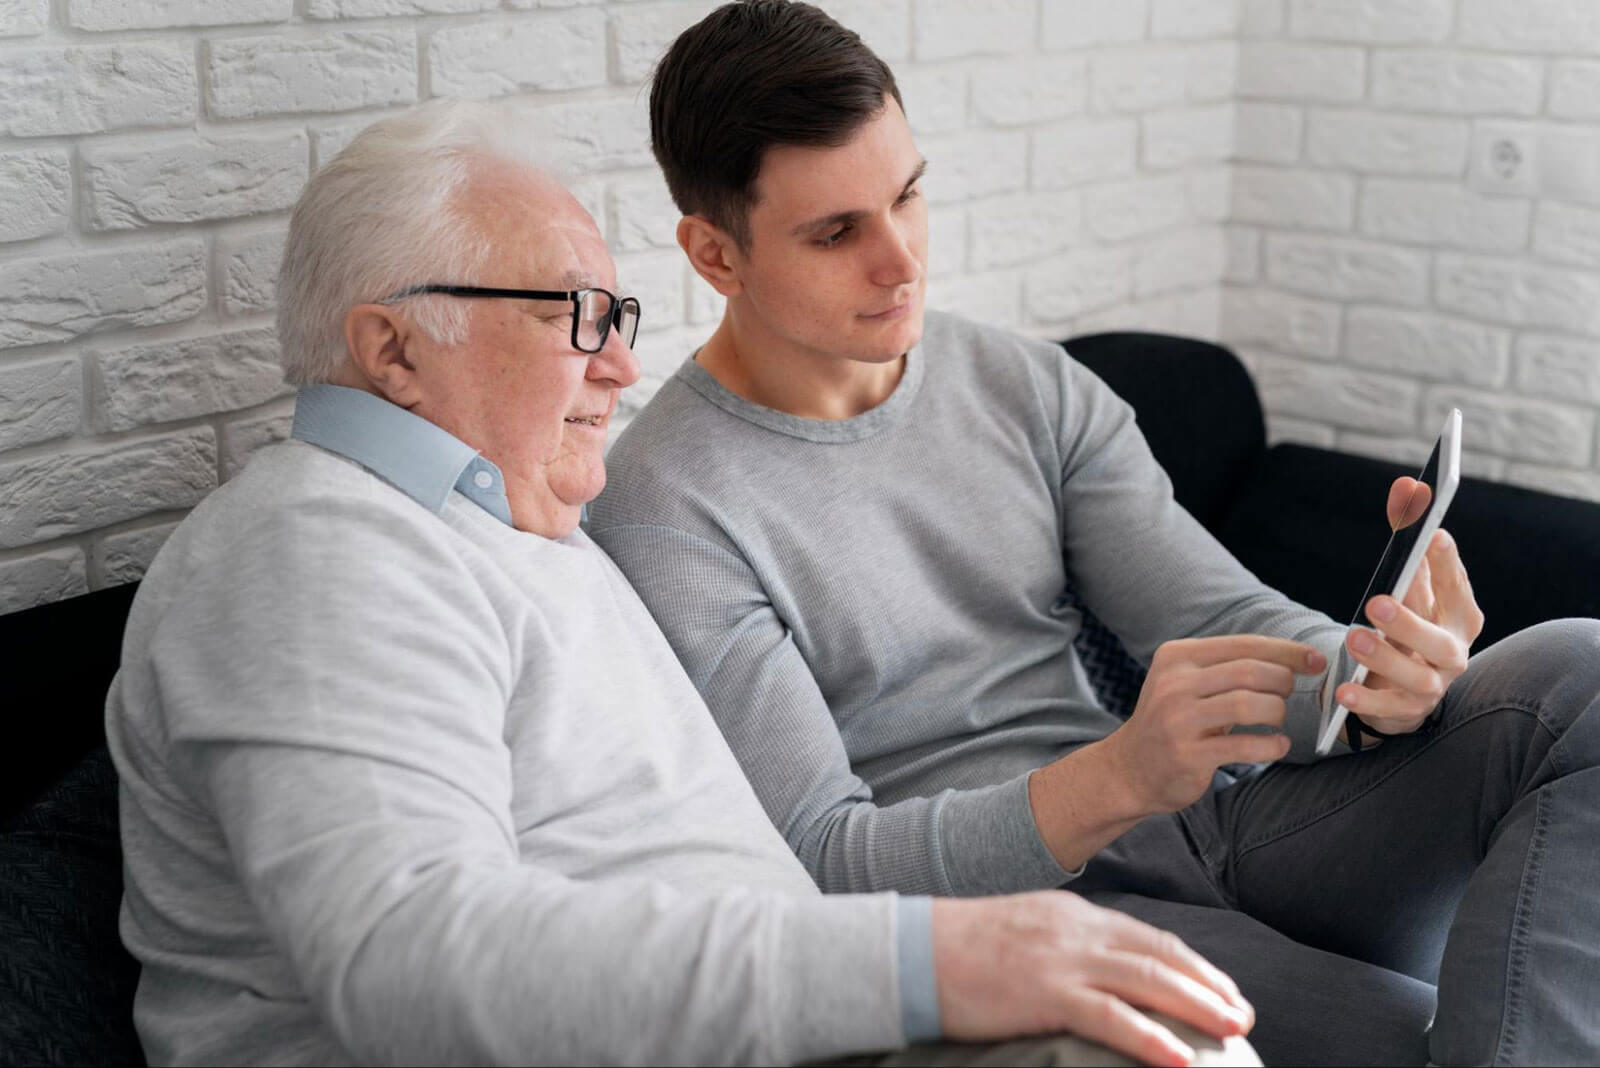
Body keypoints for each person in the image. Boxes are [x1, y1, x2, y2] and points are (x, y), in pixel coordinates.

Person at [105, 98, 1263, 1067]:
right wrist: (935, 959)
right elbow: (407, 960)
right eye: (576, 315)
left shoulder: (520, 532)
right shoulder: (317, 551)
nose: (620, 363)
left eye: (619, 317)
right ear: (394, 349)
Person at [585, 3, 1600, 1065]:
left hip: (1219, 821)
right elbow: (824, 863)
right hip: (1017, 914)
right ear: (714, 254)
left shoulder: (1024, 387)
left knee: (1575, 672)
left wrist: (1377, 672)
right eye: (837, 232)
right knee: (1412, 1038)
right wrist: (1118, 777)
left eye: (908, 194)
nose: (902, 262)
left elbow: (1219, 614)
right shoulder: (665, 508)